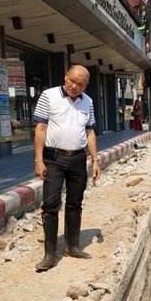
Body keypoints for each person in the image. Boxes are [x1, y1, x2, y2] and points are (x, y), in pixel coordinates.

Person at [33, 65, 101, 271]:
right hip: (54, 158)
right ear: (65, 76)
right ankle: (50, 255)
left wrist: (95, 160)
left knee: (75, 202)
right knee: (51, 204)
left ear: (86, 85)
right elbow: (41, 128)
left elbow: (90, 132)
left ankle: (72, 246)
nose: (73, 86)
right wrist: (38, 159)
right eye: (71, 80)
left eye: (79, 84)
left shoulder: (87, 102)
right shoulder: (49, 96)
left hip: (78, 159)